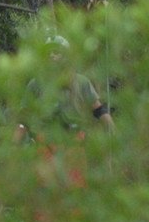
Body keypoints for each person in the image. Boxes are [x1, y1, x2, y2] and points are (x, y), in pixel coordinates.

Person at [14, 34, 114, 187]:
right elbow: (24, 119)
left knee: (75, 188)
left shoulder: (81, 82)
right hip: (46, 143)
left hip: (74, 142)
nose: (52, 55)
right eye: (49, 52)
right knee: (47, 188)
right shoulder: (36, 84)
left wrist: (111, 127)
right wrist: (14, 144)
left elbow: (98, 109)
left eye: (57, 52)